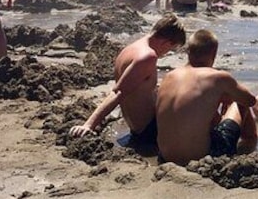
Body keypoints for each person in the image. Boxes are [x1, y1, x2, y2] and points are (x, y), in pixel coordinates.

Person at [69, 14, 186, 144]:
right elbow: (118, 92)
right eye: (171, 49)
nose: (166, 53)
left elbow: (130, 87)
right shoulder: (148, 56)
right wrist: (89, 125)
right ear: (166, 43)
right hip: (147, 130)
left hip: (135, 124)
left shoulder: (132, 47)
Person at [156, 29, 258, 165]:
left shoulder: (169, 77)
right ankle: (247, 149)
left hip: (166, 156)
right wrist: (227, 96)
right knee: (239, 103)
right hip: (202, 158)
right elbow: (250, 100)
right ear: (214, 53)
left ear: (188, 51)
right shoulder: (217, 77)